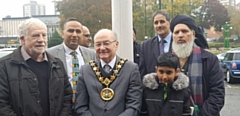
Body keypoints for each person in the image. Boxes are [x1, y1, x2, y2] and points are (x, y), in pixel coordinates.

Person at [0, 18, 72, 116]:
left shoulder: (57, 64)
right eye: (35, 36)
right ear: (22, 39)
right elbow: (2, 104)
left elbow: (67, 97)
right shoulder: (4, 66)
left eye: (44, 35)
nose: (41, 40)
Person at [75, 29, 142, 116]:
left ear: (116, 45)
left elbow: (134, 105)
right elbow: (81, 106)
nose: (102, 48)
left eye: (106, 43)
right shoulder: (85, 70)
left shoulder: (131, 69)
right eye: (98, 44)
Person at [170, 14, 225, 116]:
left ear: (193, 34)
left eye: (185, 31)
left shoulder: (210, 60)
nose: (180, 35)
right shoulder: (167, 60)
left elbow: (217, 95)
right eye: (176, 32)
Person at [47, 18, 96, 114]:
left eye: (78, 31)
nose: (74, 34)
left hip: (86, 108)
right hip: (61, 108)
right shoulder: (49, 54)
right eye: (70, 31)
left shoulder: (91, 54)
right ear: (63, 33)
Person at [139, 10, 172, 78]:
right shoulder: (146, 46)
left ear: (169, 23)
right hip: (153, 87)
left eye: (162, 22)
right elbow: (142, 72)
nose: (159, 25)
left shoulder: (178, 42)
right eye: (156, 23)